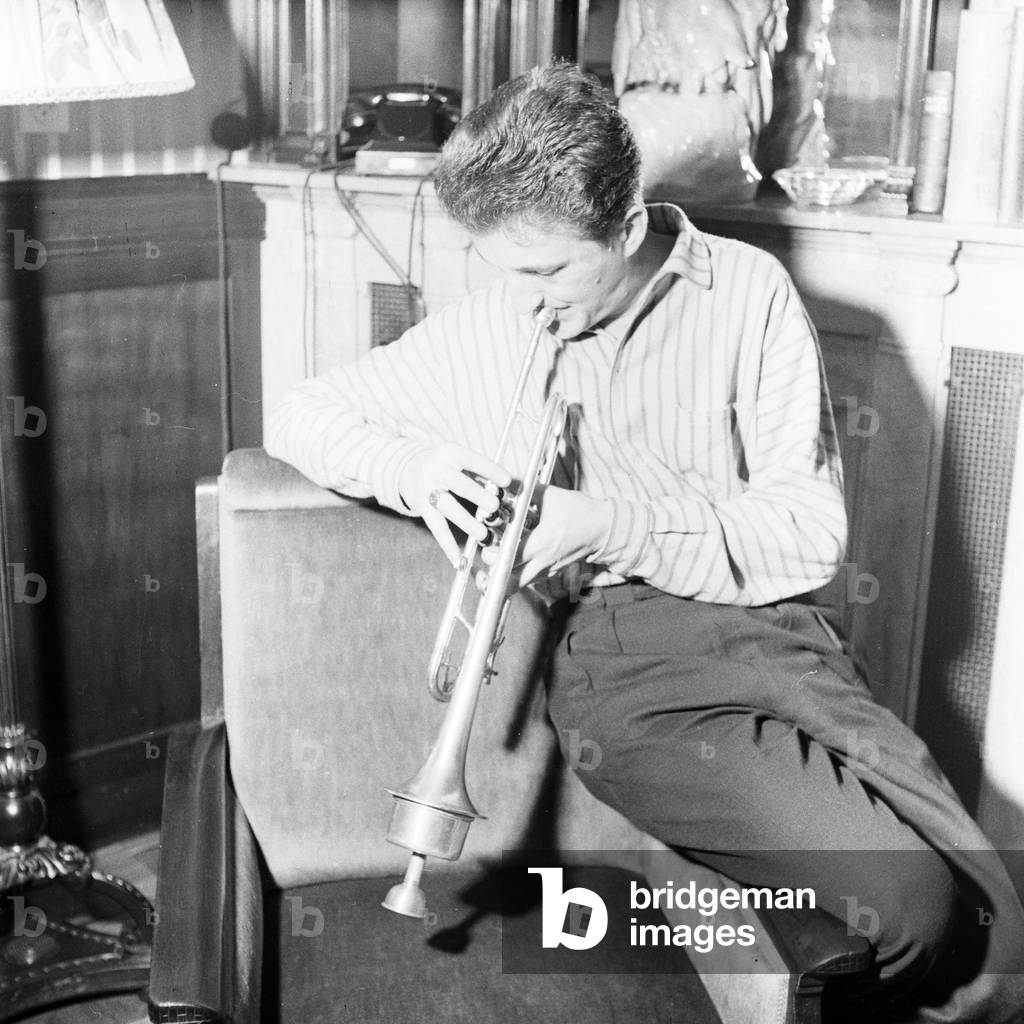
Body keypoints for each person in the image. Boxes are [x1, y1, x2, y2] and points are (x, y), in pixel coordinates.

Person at [266, 62, 1024, 1023]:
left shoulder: (749, 294)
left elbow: (807, 534)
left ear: (624, 230)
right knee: (911, 908)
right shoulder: (501, 318)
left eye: (545, 268)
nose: (522, 297)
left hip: (780, 631)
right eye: (499, 265)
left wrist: (610, 519)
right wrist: (418, 473)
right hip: (625, 670)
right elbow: (304, 413)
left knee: (996, 921)